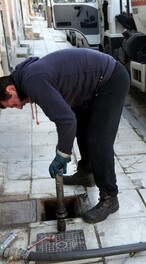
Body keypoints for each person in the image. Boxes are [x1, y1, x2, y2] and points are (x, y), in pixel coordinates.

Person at [0, 48, 130, 224]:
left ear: (10, 88)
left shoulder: (31, 81)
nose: (18, 107)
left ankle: (110, 197)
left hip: (110, 80)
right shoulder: (25, 76)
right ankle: (86, 173)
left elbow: (66, 121)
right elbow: (69, 118)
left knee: (99, 141)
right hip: (93, 83)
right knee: (82, 128)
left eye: (11, 104)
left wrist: (62, 154)